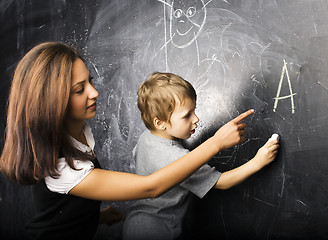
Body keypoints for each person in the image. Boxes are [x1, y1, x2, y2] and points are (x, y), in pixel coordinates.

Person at [0, 42, 255, 240]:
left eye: (90, 80)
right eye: (80, 90)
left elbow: (62, 209)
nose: (94, 92)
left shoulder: (77, 130)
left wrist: (94, 218)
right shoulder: (60, 167)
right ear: (51, 102)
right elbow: (150, 187)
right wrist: (216, 143)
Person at [122, 72, 280, 240]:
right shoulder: (176, 158)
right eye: (187, 115)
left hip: (134, 224)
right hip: (158, 232)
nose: (196, 119)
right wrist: (258, 161)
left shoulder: (147, 137)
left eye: (194, 110)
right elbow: (222, 182)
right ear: (160, 123)